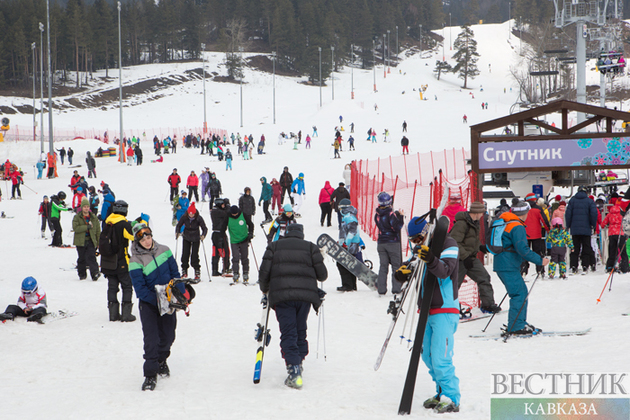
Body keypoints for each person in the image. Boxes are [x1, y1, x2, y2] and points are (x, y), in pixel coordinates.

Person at [395, 216, 460, 413]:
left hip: (444, 308)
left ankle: (452, 396)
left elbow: (445, 270)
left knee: (441, 357)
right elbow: (412, 268)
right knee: (428, 356)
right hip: (426, 310)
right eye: (412, 240)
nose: (416, 243)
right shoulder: (419, 251)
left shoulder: (449, 244)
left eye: (418, 239)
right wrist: (402, 273)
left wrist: (431, 258)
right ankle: (441, 392)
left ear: (426, 233)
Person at [258, 223, 328, 389]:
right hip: (305, 297)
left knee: (288, 331)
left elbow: (263, 273)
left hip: (282, 296)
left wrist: (265, 289)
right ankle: (299, 362)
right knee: (300, 329)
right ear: (301, 234)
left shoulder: (274, 247)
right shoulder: (311, 248)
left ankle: (293, 370)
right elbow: (323, 275)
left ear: (286, 233)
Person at [129, 223, 185, 391]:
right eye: (143, 239)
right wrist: (158, 300)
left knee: (168, 336)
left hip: (168, 301)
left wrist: (180, 295)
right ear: (137, 241)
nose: (147, 241)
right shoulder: (135, 260)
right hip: (150, 304)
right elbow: (140, 289)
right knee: (151, 340)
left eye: (148, 237)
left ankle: (161, 360)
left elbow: (175, 275)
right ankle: (150, 374)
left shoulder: (165, 250)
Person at [491, 201, 549, 335]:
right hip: (508, 265)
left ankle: (518, 322)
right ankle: (516, 326)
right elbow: (523, 249)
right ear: (525, 213)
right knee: (520, 294)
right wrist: (540, 260)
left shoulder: (506, 223)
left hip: (503, 264)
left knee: (519, 292)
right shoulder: (517, 226)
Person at [450, 201, 501, 313]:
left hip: (471, 258)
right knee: (453, 285)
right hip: (459, 260)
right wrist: (465, 257)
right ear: (477, 212)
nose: (483, 214)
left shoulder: (474, 222)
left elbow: (472, 240)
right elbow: (454, 242)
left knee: (484, 277)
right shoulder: (462, 224)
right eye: (482, 212)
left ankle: (488, 304)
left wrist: (480, 247)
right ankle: (449, 308)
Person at [101, 200, 136, 322]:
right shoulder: (123, 224)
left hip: (107, 262)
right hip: (121, 261)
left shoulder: (108, 223)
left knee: (112, 286)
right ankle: (126, 314)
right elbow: (135, 236)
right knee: (127, 286)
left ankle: (113, 313)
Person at [374, 192, 404, 296]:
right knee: (396, 266)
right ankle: (396, 289)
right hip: (392, 242)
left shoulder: (377, 215)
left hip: (381, 242)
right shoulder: (391, 214)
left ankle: (381, 289)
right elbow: (397, 227)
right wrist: (401, 217)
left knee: (383, 266)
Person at [565, 187, 598, 274]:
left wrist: (568, 226)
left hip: (575, 229)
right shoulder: (589, 201)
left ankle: (573, 266)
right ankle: (585, 265)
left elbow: (568, 214)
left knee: (575, 248)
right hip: (586, 229)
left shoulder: (572, 201)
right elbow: (594, 214)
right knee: (586, 247)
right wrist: (593, 225)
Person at [337, 201, 365, 292]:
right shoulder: (348, 216)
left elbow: (352, 232)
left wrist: (345, 243)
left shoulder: (349, 217)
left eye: (340, 208)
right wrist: (341, 241)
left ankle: (347, 285)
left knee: (342, 263)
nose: (340, 210)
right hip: (349, 245)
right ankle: (352, 285)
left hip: (350, 246)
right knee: (351, 263)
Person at [176, 202, 208, 280]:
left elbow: (204, 228)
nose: (191, 215)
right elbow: (179, 225)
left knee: (194, 255)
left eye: (192, 214)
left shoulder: (199, 218)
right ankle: (184, 270)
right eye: (190, 214)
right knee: (185, 254)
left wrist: (203, 235)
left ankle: (197, 271)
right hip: (186, 237)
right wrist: (177, 232)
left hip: (196, 238)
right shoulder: (184, 217)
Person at [521, 193, 550, 277]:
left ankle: (523, 270)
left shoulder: (523, 209)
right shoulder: (538, 209)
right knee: (538, 253)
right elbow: (544, 220)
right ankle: (540, 270)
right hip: (536, 235)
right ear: (535, 200)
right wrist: (548, 230)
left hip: (524, 234)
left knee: (524, 253)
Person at [73, 198, 102, 281]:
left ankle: (95, 273)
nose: (86, 208)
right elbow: (75, 228)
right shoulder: (77, 217)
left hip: (90, 240)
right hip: (80, 241)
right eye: (84, 206)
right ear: (82, 207)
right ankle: (82, 274)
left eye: (87, 206)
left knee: (91, 257)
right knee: (81, 258)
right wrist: (87, 227)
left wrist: (98, 242)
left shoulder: (93, 217)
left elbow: (97, 230)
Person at [227, 205, 254, 283]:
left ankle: (245, 273)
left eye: (236, 214)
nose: (235, 215)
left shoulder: (243, 214)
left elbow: (251, 224)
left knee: (244, 258)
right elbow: (223, 227)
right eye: (233, 214)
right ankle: (235, 273)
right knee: (235, 258)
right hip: (234, 240)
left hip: (244, 239)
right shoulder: (228, 216)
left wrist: (250, 233)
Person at [601, 204, 628, 273]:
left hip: (612, 234)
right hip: (620, 233)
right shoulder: (622, 213)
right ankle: (625, 267)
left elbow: (603, 224)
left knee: (612, 251)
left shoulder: (610, 214)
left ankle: (610, 266)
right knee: (623, 251)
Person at [211, 198, 231, 277]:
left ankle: (215, 269)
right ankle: (225, 268)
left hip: (215, 233)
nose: (223, 206)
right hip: (220, 233)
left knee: (215, 252)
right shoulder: (218, 211)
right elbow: (227, 213)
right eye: (222, 204)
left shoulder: (214, 210)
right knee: (225, 251)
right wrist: (228, 206)